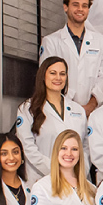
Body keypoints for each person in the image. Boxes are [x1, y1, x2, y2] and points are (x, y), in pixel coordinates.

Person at [16, 57, 89, 185]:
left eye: (62, 73)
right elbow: (27, 148)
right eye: (53, 73)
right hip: (42, 178)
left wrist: (79, 172)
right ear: (43, 76)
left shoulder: (78, 110)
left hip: (74, 179)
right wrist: (58, 171)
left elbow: (85, 146)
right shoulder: (27, 109)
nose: (58, 78)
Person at [39, 0, 103, 112]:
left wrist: (92, 105)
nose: (80, 9)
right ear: (65, 7)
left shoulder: (101, 42)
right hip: (61, 109)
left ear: (88, 9)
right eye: (75, 5)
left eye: (84, 6)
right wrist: (67, 106)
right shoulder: (51, 41)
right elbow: (48, 78)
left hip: (93, 111)